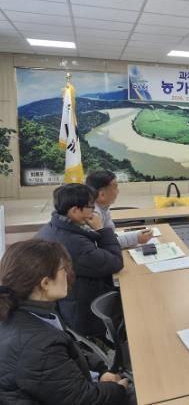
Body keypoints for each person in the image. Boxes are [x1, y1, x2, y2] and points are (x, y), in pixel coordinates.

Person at [0, 239, 128, 404]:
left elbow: (70, 348)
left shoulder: (30, 311)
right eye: (63, 269)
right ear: (45, 283)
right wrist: (120, 389)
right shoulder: (40, 346)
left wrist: (101, 369)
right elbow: (82, 400)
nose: (68, 274)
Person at [36, 184, 123, 337]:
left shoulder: (52, 228)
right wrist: (102, 230)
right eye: (90, 207)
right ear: (74, 211)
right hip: (86, 312)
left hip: (70, 304)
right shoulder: (73, 243)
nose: (93, 211)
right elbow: (115, 262)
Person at [86, 170, 153, 248]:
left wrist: (135, 236)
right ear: (102, 195)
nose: (118, 191)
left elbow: (110, 236)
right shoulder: (92, 214)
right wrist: (136, 238)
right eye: (115, 188)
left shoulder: (103, 206)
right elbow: (102, 244)